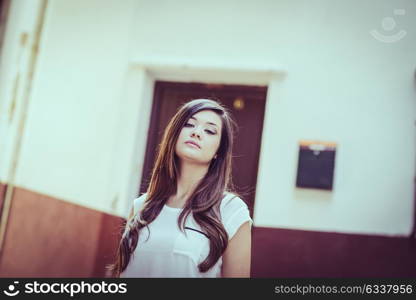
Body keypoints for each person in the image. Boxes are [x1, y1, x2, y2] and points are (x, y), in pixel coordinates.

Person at [108, 98, 253, 278]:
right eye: (189, 124)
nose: (197, 133)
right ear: (175, 134)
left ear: (218, 152)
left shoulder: (231, 209)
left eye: (209, 131)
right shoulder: (141, 205)